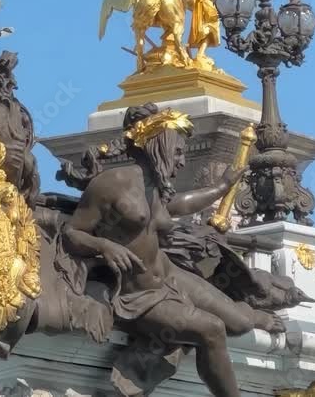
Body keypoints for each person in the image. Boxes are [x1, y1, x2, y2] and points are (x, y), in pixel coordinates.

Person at [58, 104, 284, 397]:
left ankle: (251, 315)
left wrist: (222, 186)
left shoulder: (154, 185)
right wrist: (104, 245)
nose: (181, 161)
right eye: (177, 152)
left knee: (240, 324)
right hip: (138, 296)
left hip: (171, 275)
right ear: (158, 146)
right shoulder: (111, 184)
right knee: (212, 329)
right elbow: (72, 232)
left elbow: (180, 204)